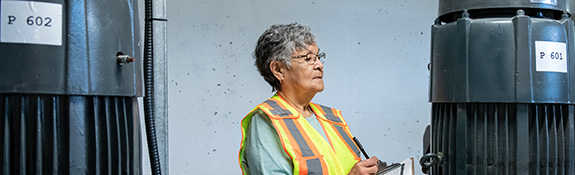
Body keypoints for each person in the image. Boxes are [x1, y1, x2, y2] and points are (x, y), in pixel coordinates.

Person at [238, 23, 380, 175]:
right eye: (309, 58)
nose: (319, 65)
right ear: (278, 70)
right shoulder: (267, 121)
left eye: (318, 57)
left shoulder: (331, 118)